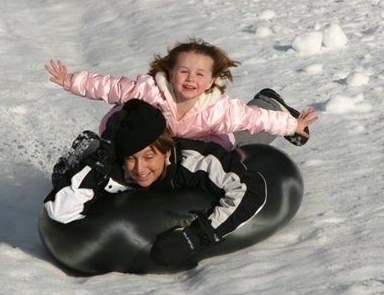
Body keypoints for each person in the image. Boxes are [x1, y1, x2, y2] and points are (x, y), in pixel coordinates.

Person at [43, 99, 268, 267]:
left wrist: (196, 237)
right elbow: (58, 211)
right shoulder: (114, 169)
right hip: (109, 149)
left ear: (166, 151)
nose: (140, 169)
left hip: (203, 132)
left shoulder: (193, 159)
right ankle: (89, 148)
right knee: (68, 177)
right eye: (131, 158)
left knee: (233, 139)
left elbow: (250, 190)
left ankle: (269, 104)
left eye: (149, 157)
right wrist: (99, 162)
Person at [44, 38, 318, 151]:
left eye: (200, 75)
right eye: (184, 72)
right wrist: (69, 80)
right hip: (152, 145)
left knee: (245, 138)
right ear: (170, 73)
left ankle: (270, 100)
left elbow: (253, 118)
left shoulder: (217, 108)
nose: (191, 79)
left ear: (211, 81)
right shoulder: (147, 90)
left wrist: (293, 125)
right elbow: (108, 86)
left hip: (198, 146)